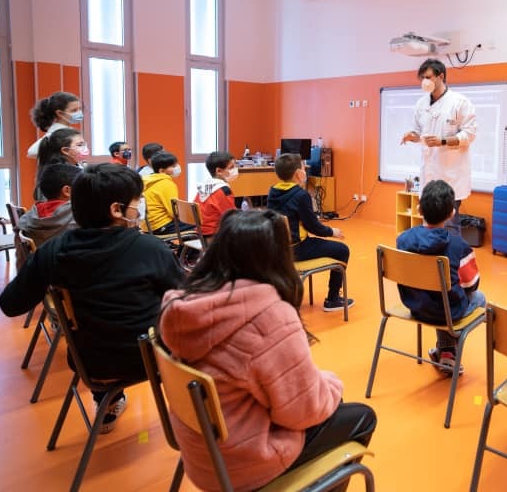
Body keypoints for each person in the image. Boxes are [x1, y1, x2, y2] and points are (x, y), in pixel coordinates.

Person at [158, 209, 377, 492]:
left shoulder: (185, 303)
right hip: (246, 464)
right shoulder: (268, 317)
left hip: (202, 455)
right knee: (362, 416)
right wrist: (332, 383)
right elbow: (303, 410)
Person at [0, 164, 183, 433]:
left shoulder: (53, 250)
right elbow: (185, 302)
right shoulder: (150, 248)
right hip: (145, 359)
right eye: (137, 201)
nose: (140, 207)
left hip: (87, 361)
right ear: (117, 210)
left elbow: (10, 304)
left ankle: (108, 401)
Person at [395, 179, 484, 375]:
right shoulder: (458, 245)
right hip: (446, 313)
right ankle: (449, 352)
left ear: (419, 209)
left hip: (415, 305)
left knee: (440, 295)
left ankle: (446, 351)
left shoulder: (402, 240)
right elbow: (472, 283)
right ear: (452, 213)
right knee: (478, 298)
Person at [400, 59, 477, 236]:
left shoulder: (460, 102)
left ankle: (452, 254)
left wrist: (442, 141)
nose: (424, 81)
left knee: (449, 227)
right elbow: (419, 132)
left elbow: (469, 134)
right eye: (422, 78)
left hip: (451, 176)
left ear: (441, 76)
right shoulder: (421, 104)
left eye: (428, 77)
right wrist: (412, 136)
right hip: (429, 175)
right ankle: (432, 254)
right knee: (428, 226)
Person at [267, 153, 352, 312]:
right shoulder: (301, 196)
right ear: (298, 173)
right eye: (303, 167)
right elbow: (313, 226)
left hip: (278, 248)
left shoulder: (272, 191)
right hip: (298, 249)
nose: (305, 170)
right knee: (342, 250)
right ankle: (333, 299)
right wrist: (332, 231)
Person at [16, 163, 82, 267]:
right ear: (67, 191)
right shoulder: (79, 215)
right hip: (69, 271)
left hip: (39, 271)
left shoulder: (29, 217)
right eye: (82, 186)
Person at [143, 151, 191, 235]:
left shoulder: (148, 180)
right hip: (160, 226)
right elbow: (173, 212)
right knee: (197, 223)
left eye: (176, 165)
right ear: (162, 171)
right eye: (173, 166)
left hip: (147, 227)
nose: (177, 167)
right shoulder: (167, 184)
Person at [34, 128, 87, 200]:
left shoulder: (76, 166)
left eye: (84, 144)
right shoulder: (55, 174)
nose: (84, 148)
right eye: (79, 145)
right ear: (65, 150)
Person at [194, 150, 238, 238]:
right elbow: (231, 217)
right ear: (219, 171)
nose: (236, 169)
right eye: (231, 167)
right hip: (215, 234)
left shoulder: (203, 187)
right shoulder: (223, 190)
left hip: (201, 232)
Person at [26, 91, 82, 158]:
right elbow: (32, 152)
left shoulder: (68, 130)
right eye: (74, 110)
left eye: (80, 109)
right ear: (60, 113)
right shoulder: (57, 132)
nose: (79, 112)